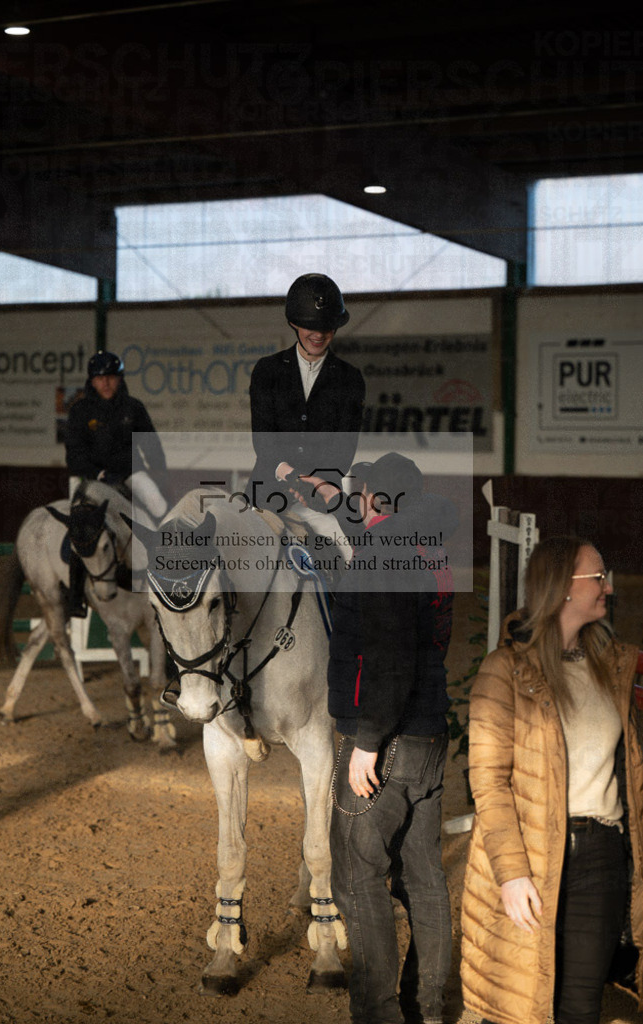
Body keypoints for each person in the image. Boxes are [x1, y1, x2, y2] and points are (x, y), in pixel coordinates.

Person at [460, 535, 643, 1024]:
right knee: (524, 1008)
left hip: (601, 855)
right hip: (534, 857)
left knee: (580, 1007)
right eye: (597, 576)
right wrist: (512, 872)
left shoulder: (619, 666)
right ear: (562, 588)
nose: (609, 586)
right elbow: (489, 782)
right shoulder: (505, 671)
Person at [328, 452, 459, 1024]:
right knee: (426, 878)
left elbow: (387, 659)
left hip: (387, 738)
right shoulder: (432, 550)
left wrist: (366, 742)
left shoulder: (380, 554)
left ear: (374, 500)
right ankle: (431, 1009)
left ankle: (378, 1013)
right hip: (431, 734)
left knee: (358, 875)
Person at [248, 273, 365, 551]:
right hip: (267, 491)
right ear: (293, 322)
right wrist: (290, 475)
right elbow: (263, 440)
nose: (319, 334)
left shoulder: (351, 378)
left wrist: (317, 484)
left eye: (327, 326)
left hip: (320, 497)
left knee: (349, 556)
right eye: (311, 326)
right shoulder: (267, 370)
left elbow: (344, 449)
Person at [64, 349, 168, 616]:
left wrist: (159, 473)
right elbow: (74, 453)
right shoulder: (80, 410)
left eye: (111, 377)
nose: (106, 383)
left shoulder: (133, 407)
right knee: (80, 523)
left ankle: (169, 574)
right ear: (91, 381)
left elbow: (152, 445)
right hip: (94, 477)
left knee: (158, 505)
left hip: (131, 474)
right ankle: (75, 595)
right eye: (100, 378)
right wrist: (96, 473)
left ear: (119, 378)